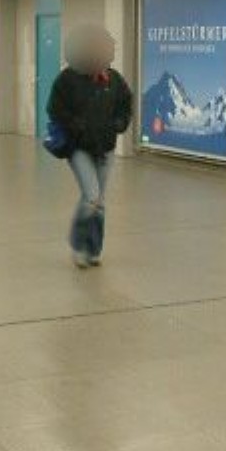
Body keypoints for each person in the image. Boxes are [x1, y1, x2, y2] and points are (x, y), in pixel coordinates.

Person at [46, 25, 132, 269]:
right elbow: (54, 108)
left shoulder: (114, 79)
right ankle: (77, 244)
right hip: (79, 148)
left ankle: (93, 250)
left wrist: (120, 123)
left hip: (105, 148)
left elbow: (125, 104)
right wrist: (76, 125)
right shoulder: (68, 78)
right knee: (92, 197)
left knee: (98, 202)